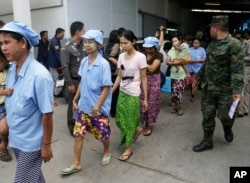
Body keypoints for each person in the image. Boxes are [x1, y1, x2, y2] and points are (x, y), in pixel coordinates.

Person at [0, 21, 54, 182]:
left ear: (23, 43)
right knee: (34, 178)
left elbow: (47, 115)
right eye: (1, 43)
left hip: (31, 145)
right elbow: (12, 108)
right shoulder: (11, 70)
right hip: (17, 140)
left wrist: (46, 145)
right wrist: (5, 140)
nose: (3, 48)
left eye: (7, 42)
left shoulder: (39, 76)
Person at [61, 30, 113, 175]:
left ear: (98, 44)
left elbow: (106, 89)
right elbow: (82, 82)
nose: (87, 45)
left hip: (98, 109)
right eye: (85, 42)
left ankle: (107, 151)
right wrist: (75, 99)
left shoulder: (103, 64)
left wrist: (97, 106)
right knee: (78, 134)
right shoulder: (84, 61)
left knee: (103, 134)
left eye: (90, 42)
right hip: (83, 107)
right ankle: (76, 163)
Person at [192, 15, 244, 152]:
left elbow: (237, 70)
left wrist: (237, 91)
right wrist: (198, 77)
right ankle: (207, 141)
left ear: (216, 28)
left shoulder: (234, 45)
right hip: (209, 88)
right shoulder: (212, 44)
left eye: (211, 28)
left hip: (225, 90)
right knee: (207, 115)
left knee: (227, 116)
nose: (209, 31)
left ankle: (228, 127)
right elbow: (207, 64)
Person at [112, 30, 148, 161]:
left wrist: (145, 99)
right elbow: (119, 76)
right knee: (119, 120)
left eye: (126, 43)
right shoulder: (121, 56)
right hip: (122, 92)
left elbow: (144, 79)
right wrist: (111, 92)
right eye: (121, 43)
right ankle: (137, 129)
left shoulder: (140, 57)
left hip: (134, 94)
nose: (123, 46)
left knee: (129, 122)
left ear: (133, 41)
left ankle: (128, 149)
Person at [60, 21, 86, 135]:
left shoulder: (84, 46)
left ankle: (82, 123)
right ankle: (72, 126)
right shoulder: (66, 47)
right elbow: (65, 67)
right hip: (74, 81)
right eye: (83, 31)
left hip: (84, 80)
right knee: (73, 103)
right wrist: (70, 83)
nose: (84, 33)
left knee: (83, 103)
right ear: (77, 32)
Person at [140, 36, 163, 136]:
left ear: (155, 47)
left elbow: (153, 68)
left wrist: (141, 64)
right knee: (142, 100)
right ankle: (143, 121)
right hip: (143, 78)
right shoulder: (143, 54)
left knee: (152, 101)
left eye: (150, 48)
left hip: (154, 80)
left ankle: (149, 124)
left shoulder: (159, 55)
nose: (148, 50)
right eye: (146, 48)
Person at [166, 36, 190, 116]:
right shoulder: (171, 51)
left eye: (176, 41)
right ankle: (175, 106)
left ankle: (179, 107)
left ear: (180, 41)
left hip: (181, 75)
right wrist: (174, 63)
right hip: (173, 75)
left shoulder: (184, 50)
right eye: (173, 41)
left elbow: (188, 60)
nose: (174, 43)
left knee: (179, 92)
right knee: (174, 92)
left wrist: (180, 61)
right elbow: (167, 62)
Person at [104, 30, 120, 118]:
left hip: (108, 70)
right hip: (114, 71)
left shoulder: (107, 45)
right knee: (115, 92)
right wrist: (120, 64)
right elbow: (111, 57)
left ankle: (110, 109)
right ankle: (113, 111)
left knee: (109, 90)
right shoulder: (117, 45)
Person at [0, 49, 13, 162]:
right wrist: (3, 92)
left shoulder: (11, 69)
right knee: (3, 130)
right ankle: (3, 147)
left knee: (5, 129)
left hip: (9, 104)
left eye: (3, 60)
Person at [187, 37, 206, 102]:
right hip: (190, 69)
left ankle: (192, 97)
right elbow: (186, 59)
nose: (195, 44)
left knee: (195, 84)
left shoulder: (202, 50)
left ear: (199, 43)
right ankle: (192, 92)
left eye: (197, 43)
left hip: (198, 70)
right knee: (189, 83)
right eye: (194, 43)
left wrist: (198, 60)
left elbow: (205, 59)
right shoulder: (189, 49)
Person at [48, 27, 65, 96]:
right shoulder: (55, 41)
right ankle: (56, 93)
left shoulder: (55, 40)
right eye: (62, 34)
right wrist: (62, 63)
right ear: (58, 33)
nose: (63, 36)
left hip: (52, 63)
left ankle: (55, 92)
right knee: (57, 79)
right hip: (54, 64)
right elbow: (58, 54)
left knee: (55, 79)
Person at [237, 29, 250, 117]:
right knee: (247, 91)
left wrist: (240, 58)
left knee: (241, 89)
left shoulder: (248, 43)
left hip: (246, 67)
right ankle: (245, 109)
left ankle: (241, 110)